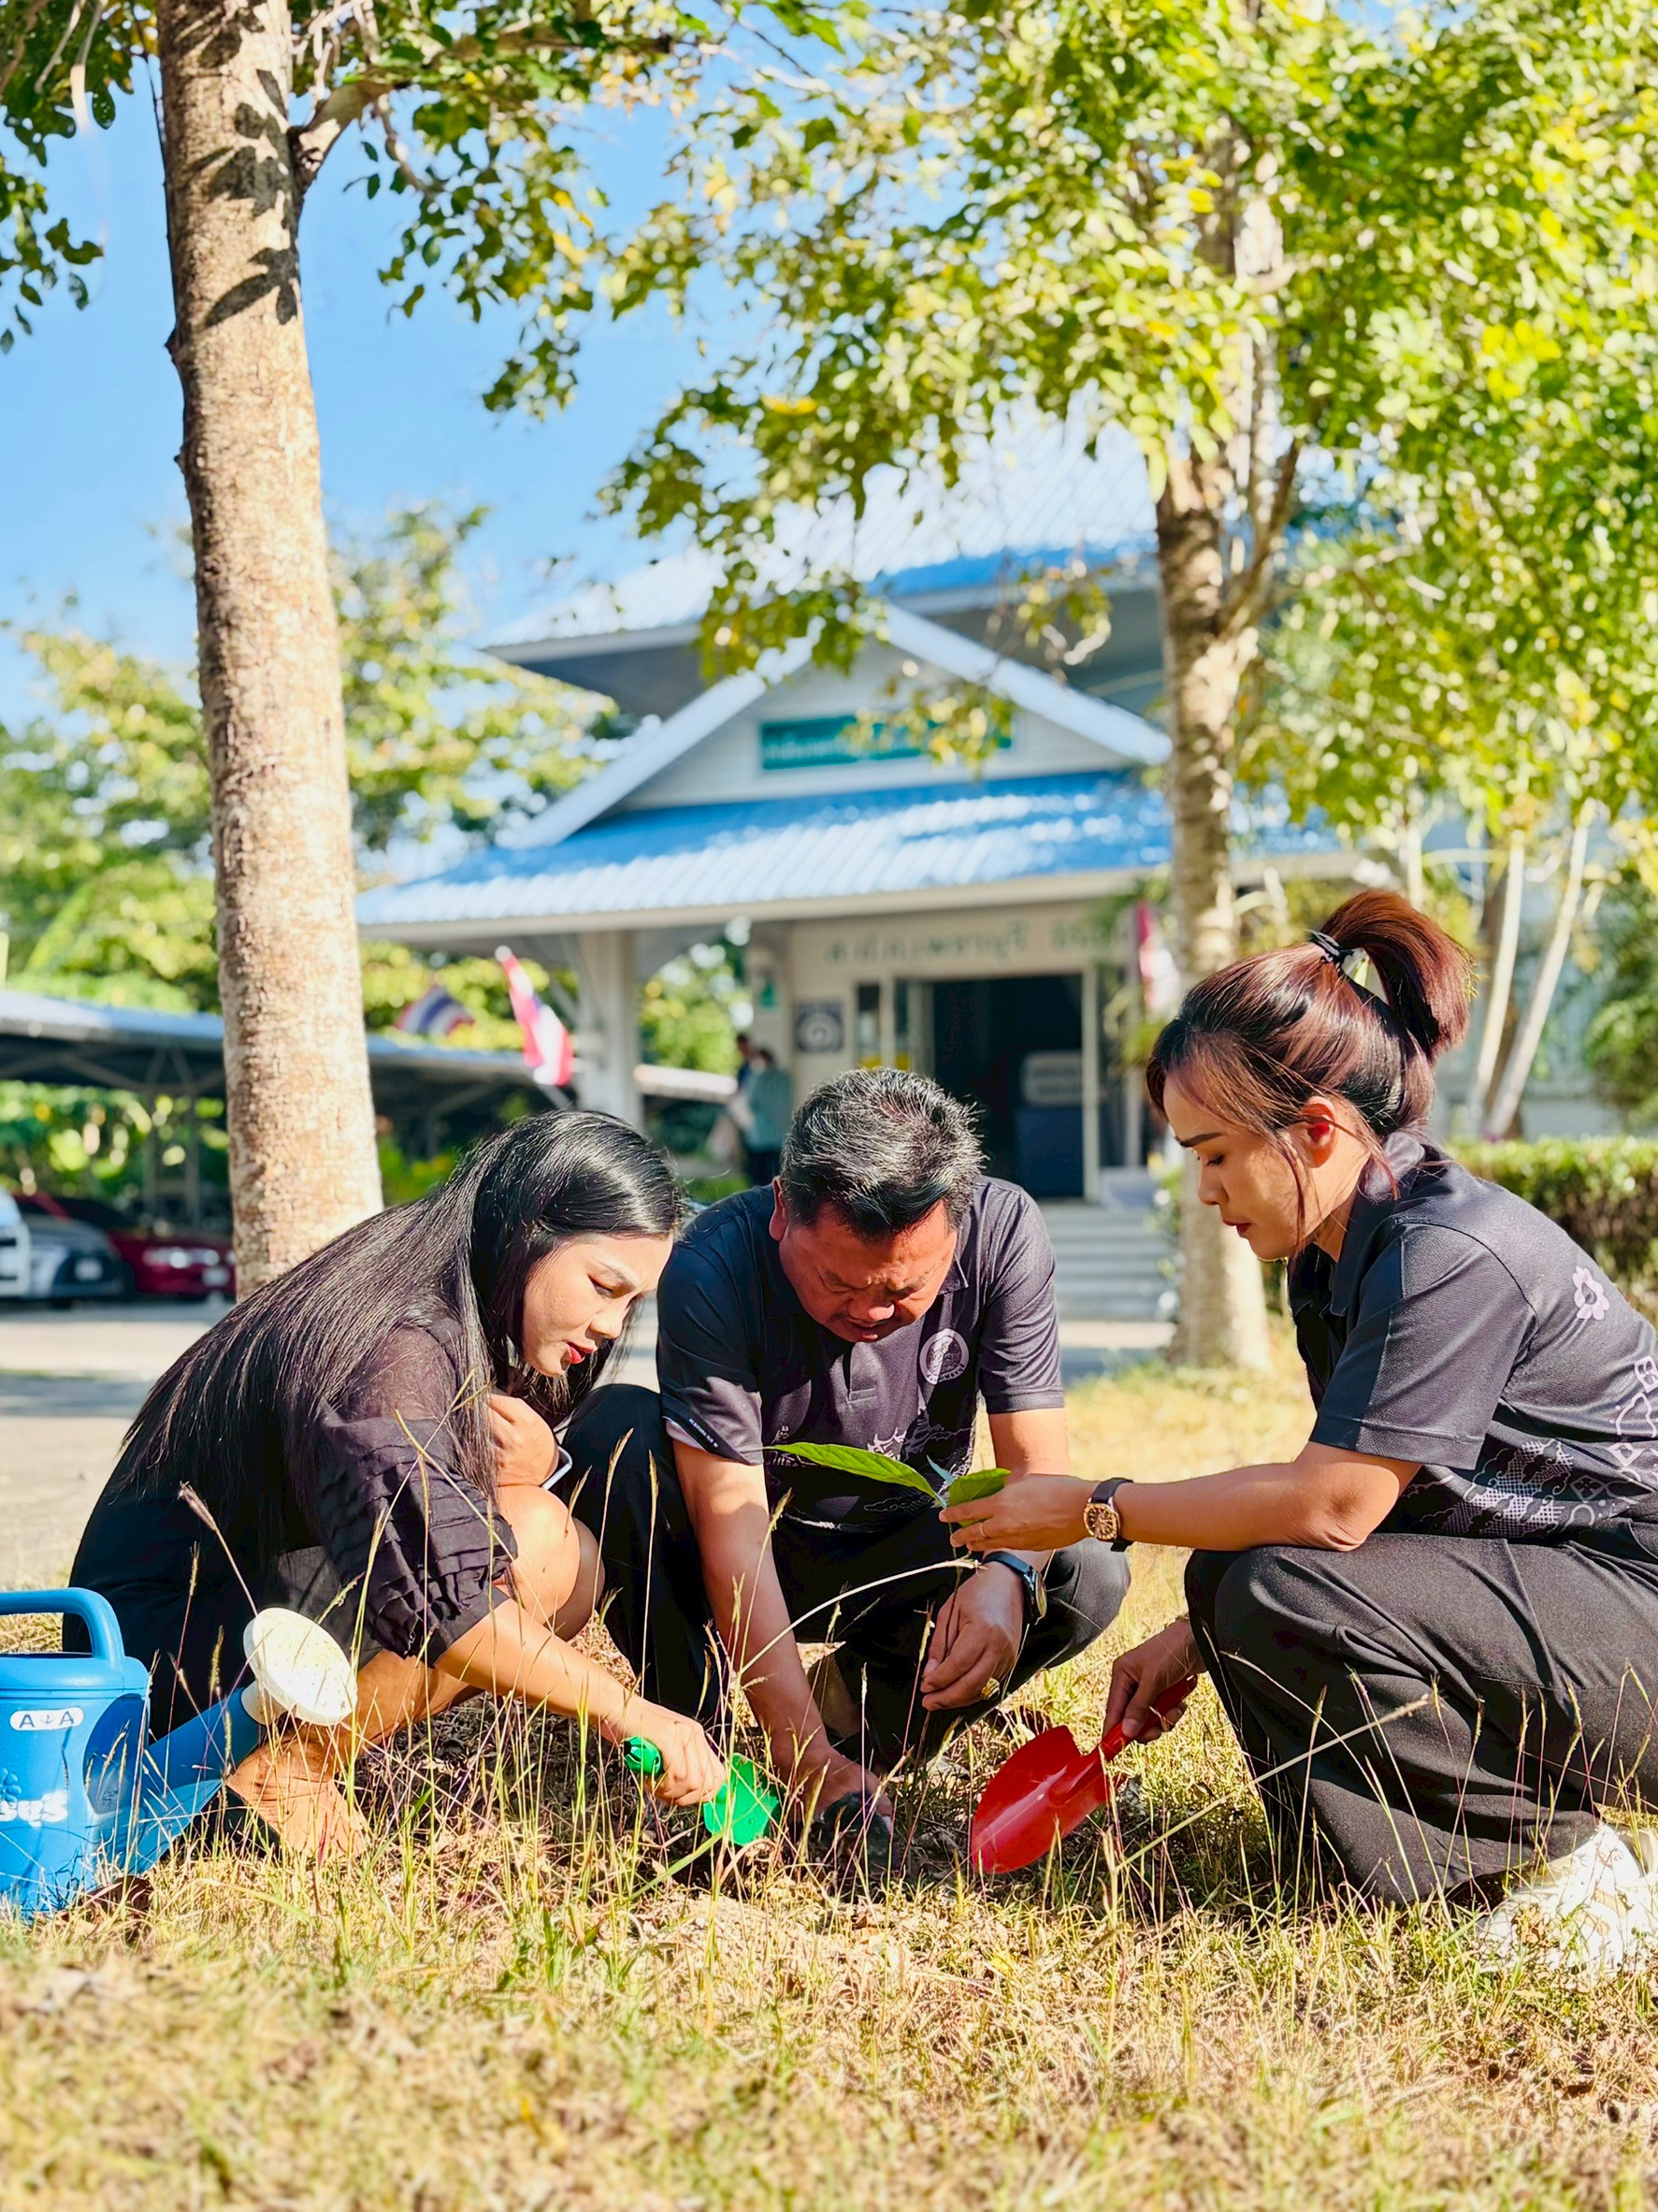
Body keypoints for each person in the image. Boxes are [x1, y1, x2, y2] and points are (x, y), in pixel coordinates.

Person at [943, 890, 1658, 1972]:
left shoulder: (1450, 1252)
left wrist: (1097, 1506)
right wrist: (1197, 1634)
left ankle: (1560, 1868)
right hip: (1562, 1603)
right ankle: (1398, 1878)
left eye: (1218, 1154)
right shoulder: (1338, 1258)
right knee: (1232, 1579)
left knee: (1281, 1576)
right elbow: (1400, 1493)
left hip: (1634, 1625)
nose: (1204, 1190)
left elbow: (1335, 1510)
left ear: (1317, 1130)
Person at [70, 1114, 726, 1856]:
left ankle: (304, 1751)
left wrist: (540, 1459)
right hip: (151, 1672)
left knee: (565, 1552)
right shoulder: (398, 1341)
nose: (611, 1324)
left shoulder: (444, 1286)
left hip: (242, 1614)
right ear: (528, 1226)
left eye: (631, 1302)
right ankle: (279, 1773)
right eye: (603, 1286)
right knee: (537, 1542)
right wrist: (630, 1711)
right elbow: (438, 1596)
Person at [562, 1067, 1130, 1877]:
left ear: (957, 1228)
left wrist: (1007, 1571)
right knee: (611, 1434)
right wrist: (801, 1758)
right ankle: (703, 1740)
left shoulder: (1004, 1228)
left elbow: (1038, 1468)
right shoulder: (714, 1263)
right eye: (836, 1281)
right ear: (783, 1209)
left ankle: (861, 1716)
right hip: (756, 1545)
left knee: (1085, 1562)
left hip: (905, 1545)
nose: (867, 1310)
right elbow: (730, 1518)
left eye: (903, 1289)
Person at [740, 1045, 793, 1187]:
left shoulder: (757, 1077)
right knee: (779, 1176)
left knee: (759, 1179)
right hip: (780, 1135)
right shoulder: (785, 1077)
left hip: (760, 1135)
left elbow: (751, 1101)